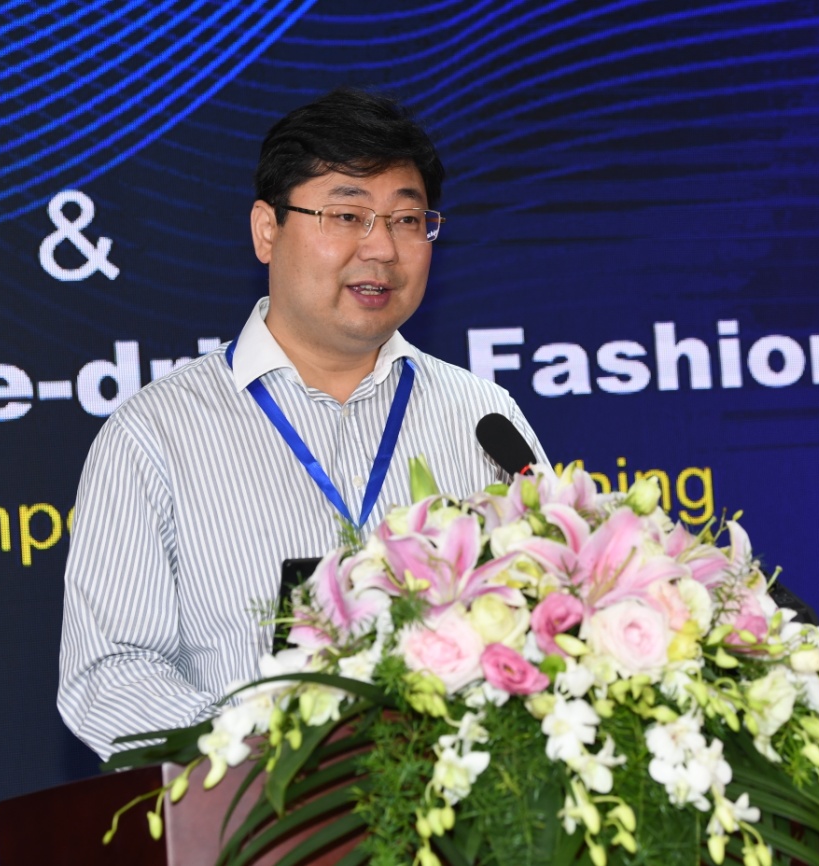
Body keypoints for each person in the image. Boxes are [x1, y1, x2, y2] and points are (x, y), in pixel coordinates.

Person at [58, 88, 546, 760]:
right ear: (267, 230)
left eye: (407, 220)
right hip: (261, 810)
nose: (381, 248)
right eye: (347, 215)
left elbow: (554, 617)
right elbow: (107, 673)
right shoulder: (156, 435)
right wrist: (270, 755)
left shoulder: (483, 419)